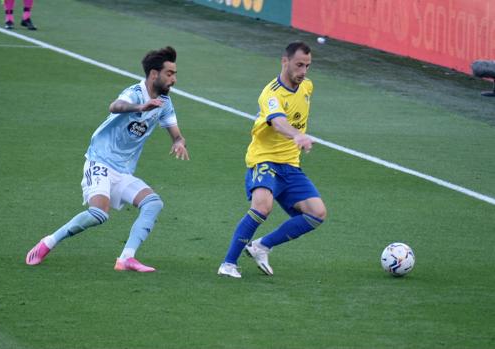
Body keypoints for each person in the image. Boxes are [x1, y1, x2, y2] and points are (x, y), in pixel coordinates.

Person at [26, 46, 189, 272]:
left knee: (153, 203)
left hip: (122, 171)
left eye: (175, 74)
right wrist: (140, 106)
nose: (174, 80)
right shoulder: (134, 93)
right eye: (169, 74)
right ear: (154, 74)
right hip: (100, 161)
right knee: (99, 214)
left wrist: (178, 142)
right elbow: (115, 106)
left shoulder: (164, 103)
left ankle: (126, 258)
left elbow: (176, 133)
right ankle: (48, 242)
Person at [218, 41, 327, 278]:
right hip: (264, 160)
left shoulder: (307, 87)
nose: (303, 71)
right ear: (284, 61)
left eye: (307, 66)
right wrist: (297, 135)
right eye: (299, 65)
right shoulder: (271, 94)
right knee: (262, 206)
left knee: (317, 213)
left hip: (290, 165)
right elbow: (278, 122)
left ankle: (261, 246)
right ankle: (228, 264)